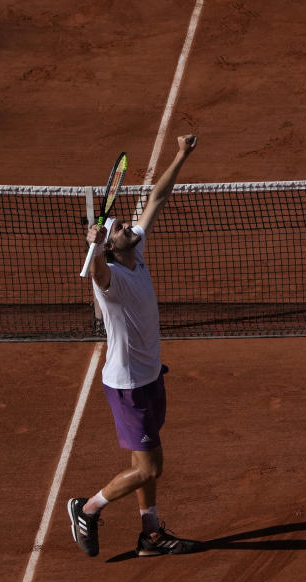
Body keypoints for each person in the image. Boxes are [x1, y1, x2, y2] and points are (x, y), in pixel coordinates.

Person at [68, 134, 203, 557]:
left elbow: (158, 197)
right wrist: (93, 249)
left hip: (149, 377)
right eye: (122, 228)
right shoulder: (111, 280)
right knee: (151, 466)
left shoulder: (133, 250)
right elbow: (97, 277)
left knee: (143, 464)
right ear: (111, 245)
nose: (130, 225)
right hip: (128, 386)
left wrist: (180, 155)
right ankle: (87, 509)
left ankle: (151, 535)